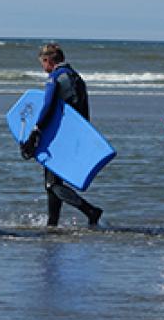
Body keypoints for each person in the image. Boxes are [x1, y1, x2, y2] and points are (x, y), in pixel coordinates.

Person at [21, 42, 103, 227]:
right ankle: (52, 223)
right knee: (53, 181)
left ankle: (91, 211)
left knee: (52, 184)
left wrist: (36, 130)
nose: (43, 68)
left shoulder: (55, 77)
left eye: (42, 63)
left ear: (48, 60)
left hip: (58, 138)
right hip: (74, 136)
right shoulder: (76, 77)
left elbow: (48, 106)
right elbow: (82, 112)